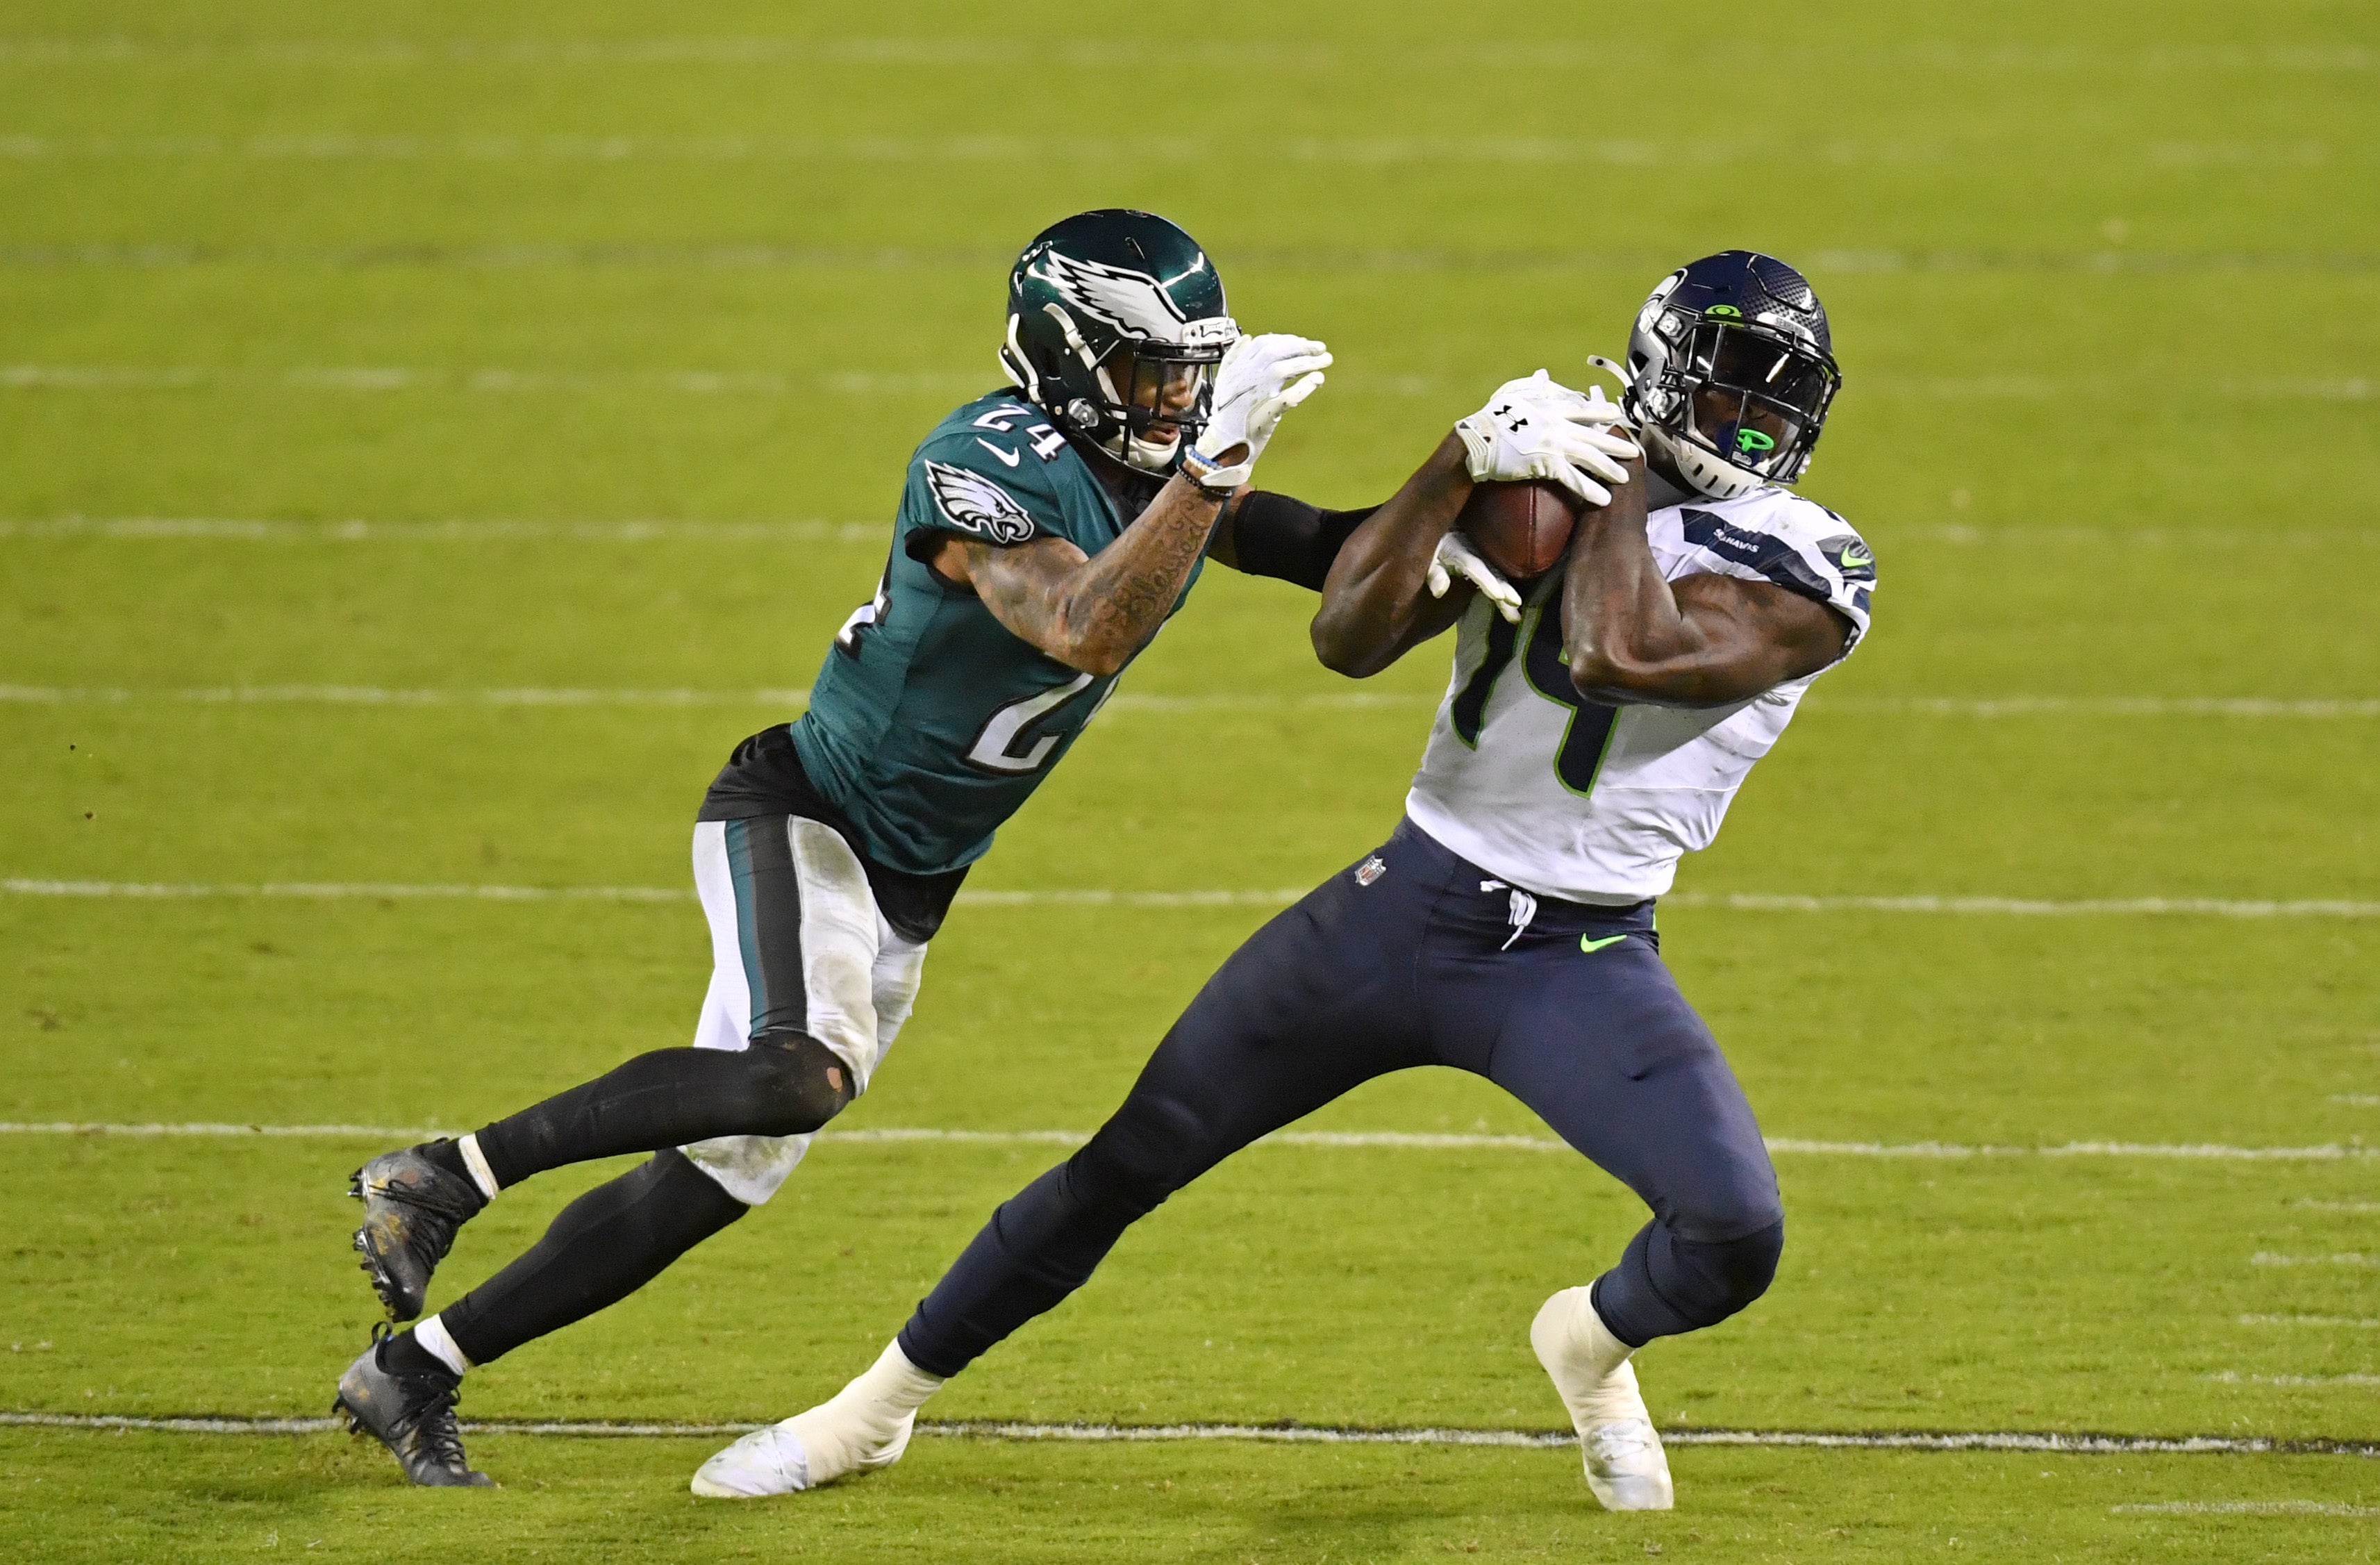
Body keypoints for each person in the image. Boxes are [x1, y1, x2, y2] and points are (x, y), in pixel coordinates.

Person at [690, 251, 1874, 1512]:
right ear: (1653, 371)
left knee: (1737, 1232)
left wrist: (1615, 481)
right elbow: (1348, 638)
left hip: (1579, 955)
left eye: (1779, 389)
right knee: (1129, 1160)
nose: (1754, 417)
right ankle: (866, 1414)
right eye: (1730, 378)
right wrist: (1462, 462)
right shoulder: (1551, 474)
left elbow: (1616, 653)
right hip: (1403, 905)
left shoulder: (1815, 560)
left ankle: (1586, 1342)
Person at [329, 208, 1354, 1486]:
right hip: (805, 813)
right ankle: (445, 1173)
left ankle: (412, 1370)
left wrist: (1483, 486)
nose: (1180, 398)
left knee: (712, 1183)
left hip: (910, 881)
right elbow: (1083, 624)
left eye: (1194, 372)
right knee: (799, 1073)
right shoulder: (981, 458)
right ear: (1066, 354)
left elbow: (1328, 551)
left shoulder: (1162, 475)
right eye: (1153, 369)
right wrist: (1212, 470)